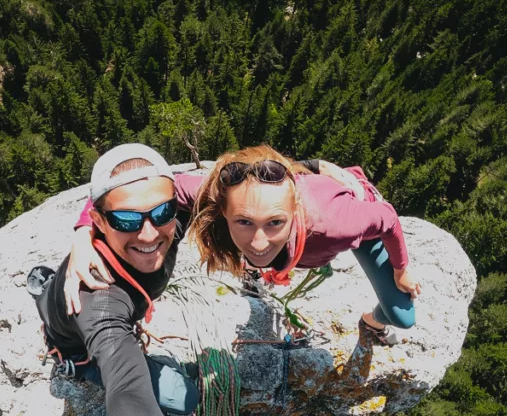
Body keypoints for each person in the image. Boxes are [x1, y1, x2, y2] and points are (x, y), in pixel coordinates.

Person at [29, 143, 258, 416]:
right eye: (127, 221)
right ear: (100, 220)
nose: (150, 233)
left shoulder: (168, 207)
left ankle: (46, 288)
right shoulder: (97, 298)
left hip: (122, 301)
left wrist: (320, 170)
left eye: (160, 214)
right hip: (90, 342)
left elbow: (247, 180)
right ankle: (61, 334)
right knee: (184, 398)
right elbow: (127, 390)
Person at [69, 145, 421, 346]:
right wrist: (84, 235)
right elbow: (130, 190)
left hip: (356, 216)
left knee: (403, 316)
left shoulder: (336, 225)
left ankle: (371, 322)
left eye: (274, 224)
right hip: (299, 208)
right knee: (259, 251)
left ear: (294, 209)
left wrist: (401, 270)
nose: (258, 241)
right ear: (223, 207)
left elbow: (387, 218)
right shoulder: (218, 193)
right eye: (243, 222)